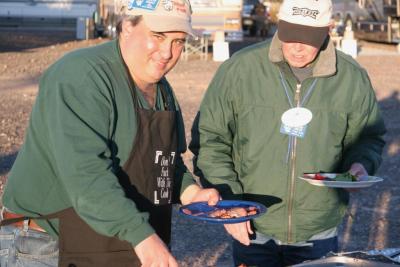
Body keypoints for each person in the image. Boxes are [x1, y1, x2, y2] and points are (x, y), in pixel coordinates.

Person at [0, 0, 219, 266]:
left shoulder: (162, 91)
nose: (167, 52)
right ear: (127, 27)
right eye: (158, 36)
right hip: (46, 244)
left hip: (114, 243)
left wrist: (191, 193)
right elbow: (86, 174)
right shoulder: (82, 76)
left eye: (178, 41)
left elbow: (166, 162)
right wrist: (143, 236)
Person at [190, 0, 386, 266]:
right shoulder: (241, 69)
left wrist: (360, 164)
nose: (296, 46)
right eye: (290, 33)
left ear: (329, 29)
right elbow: (210, 139)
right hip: (252, 222)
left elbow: (369, 136)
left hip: (318, 228)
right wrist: (231, 203)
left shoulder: (350, 77)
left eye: (308, 38)